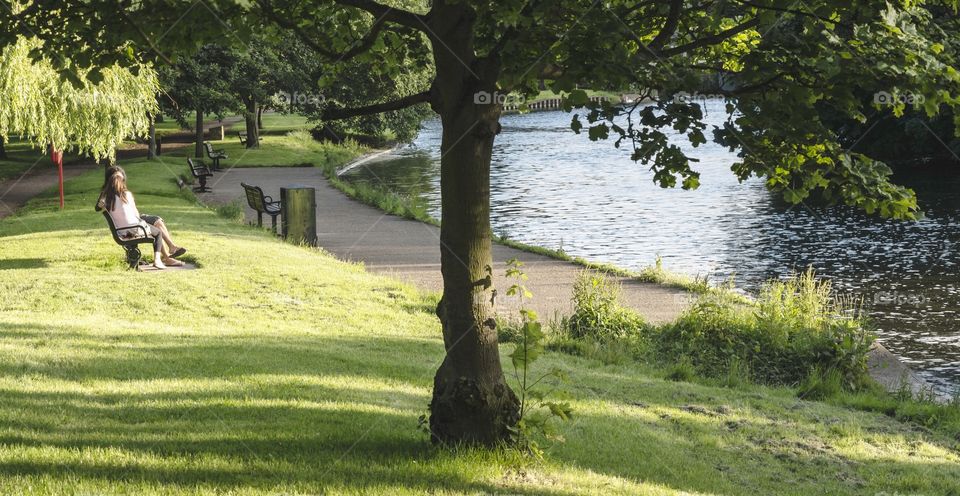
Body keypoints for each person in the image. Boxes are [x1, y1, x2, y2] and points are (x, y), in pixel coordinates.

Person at [97, 166, 187, 269]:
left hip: (121, 229)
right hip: (133, 226)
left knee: (157, 222)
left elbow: (101, 207)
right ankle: (162, 258)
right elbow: (135, 214)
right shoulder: (126, 194)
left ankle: (170, 251)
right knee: (157, 231)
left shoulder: (106, 196)